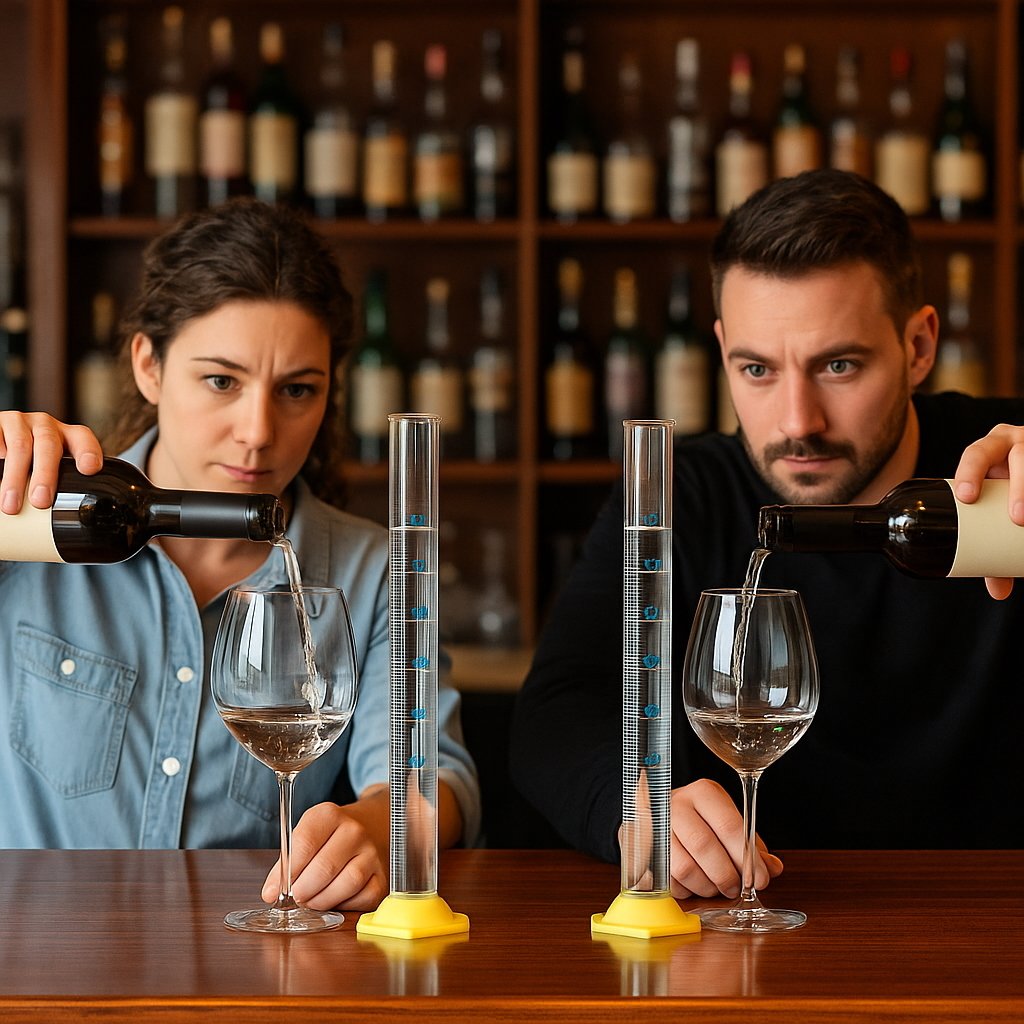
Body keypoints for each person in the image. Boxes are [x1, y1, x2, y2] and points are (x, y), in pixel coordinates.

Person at [510, 169, 1024, 901]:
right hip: (744, 931)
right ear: (721, 351)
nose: (796, 422)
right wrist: (633, 806)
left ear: (918, 346)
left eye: (838, 366)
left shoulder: (1011, 470)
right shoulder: (682, 492)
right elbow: (557, 705)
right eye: (756, 369)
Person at [0, 198, 480, 911]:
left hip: (246, 982)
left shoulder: (374, 572)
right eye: (221, 380)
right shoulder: (27, 523)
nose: (258, 431)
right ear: (149, 366)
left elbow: (431, 777)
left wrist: (379, 830)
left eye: (297, 390)